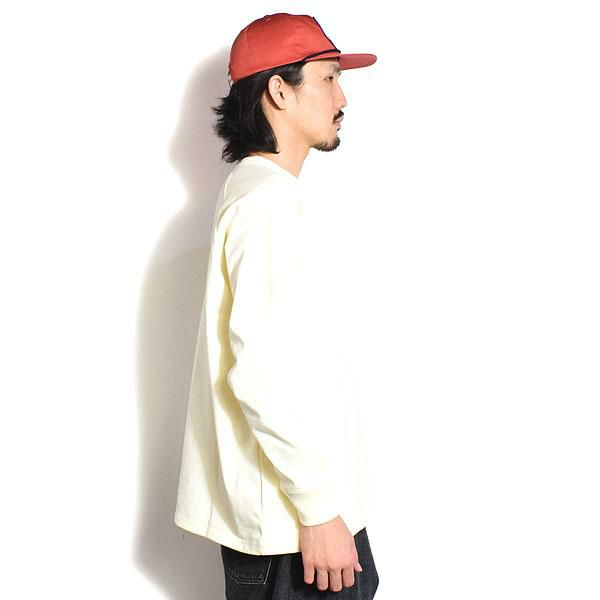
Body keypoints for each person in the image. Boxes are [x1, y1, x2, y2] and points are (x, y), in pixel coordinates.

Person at [174, 12, 379, 598]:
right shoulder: (265, 205)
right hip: (295, 530)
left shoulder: (261, 193)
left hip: (297, 519)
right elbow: (263, 374)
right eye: (329, 78)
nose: (342, 97)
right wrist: (319, 511)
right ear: (279, 91)